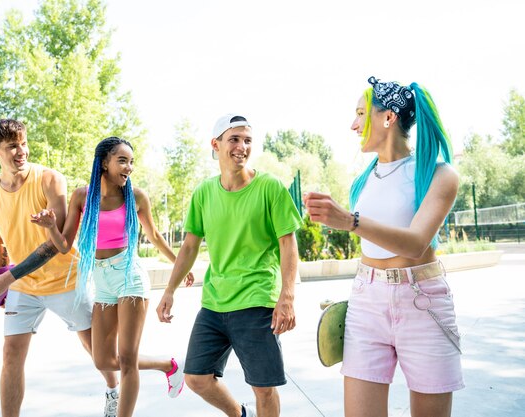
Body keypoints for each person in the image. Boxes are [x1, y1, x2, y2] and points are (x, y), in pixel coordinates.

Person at [303, 76, 464, 417]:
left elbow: (418, 243)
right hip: (367, 302)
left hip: (424, 304)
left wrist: (350, 221)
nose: (353, 125)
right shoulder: (363, 181)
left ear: (388, 118)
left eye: (361, 114)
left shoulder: (440, 175)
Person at [27, 136, 193, 417]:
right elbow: (65, 245)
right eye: (122, 160)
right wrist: (50, 227)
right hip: (101, 280)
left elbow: (154, 236)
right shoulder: (83, 196)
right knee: (103, 359)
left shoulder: (136, 196)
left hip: (129, 276)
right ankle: (168, 365)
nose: (128, 167)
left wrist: (180, 266)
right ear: (104, 162)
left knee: (127, 360)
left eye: (131, 162)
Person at [156, 114, 302, 417]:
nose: (242, 146)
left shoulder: (270, 188)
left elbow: (288, 244)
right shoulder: (204, 193)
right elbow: (189, 246)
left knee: (263, 387)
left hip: (257, 299)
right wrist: (169, 290)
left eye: (247, 140)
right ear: (216, 144)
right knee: (196, 377)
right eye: (234, 139)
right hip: (215, 302)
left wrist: (287, 297)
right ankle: (239, 414)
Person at [0, 119, 119, 417]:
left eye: (24, 143)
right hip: (23, 286)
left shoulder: (49, 180)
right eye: (12, 146)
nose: (21, 151)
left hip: (65, 281)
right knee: (11, 354)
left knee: (98, 353)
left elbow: (58, 243)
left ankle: (112, 390)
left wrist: (6, 277)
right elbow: (3, 235)